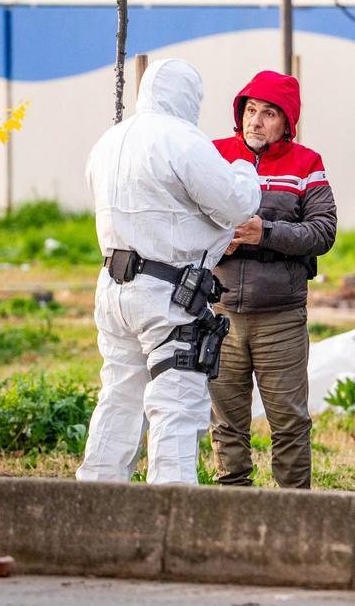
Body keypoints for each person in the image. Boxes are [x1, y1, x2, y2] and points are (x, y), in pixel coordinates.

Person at [77, 58, 261, 485]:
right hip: (167, 295)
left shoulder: (109, 141)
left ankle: (95, 499)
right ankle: (172, 509)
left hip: (114, 286)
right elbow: (234, 204)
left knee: (119, 396)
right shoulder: (182, 140)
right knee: (176, 402)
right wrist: (244, 170)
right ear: (190, 97)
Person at [209, 70, 337, 489]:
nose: (255, 122)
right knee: (226, 422)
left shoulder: (306, 164)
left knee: (289, 422)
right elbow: (182, 217)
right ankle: (232, 502)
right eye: (249, 111)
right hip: (220, 311)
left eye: (267, 113)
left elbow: (323, 231)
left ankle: (293, 507)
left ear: (287, 122)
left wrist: (267, 232)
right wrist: (211, 241)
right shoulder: (213, 155)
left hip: (280, 316)